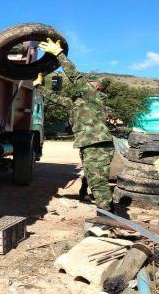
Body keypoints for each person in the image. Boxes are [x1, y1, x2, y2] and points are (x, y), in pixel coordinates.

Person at [33, 38, 114, 211]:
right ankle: (86, 195)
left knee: (98, 182)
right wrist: (39, 87)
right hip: (88, 144)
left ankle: (107, 218)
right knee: (92, 176)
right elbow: (57, 99)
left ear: (98, 87)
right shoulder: (80, 101)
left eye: (92, 81)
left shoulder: (95, 97)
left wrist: (59, 55)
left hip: (98, 144)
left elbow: (76, 77)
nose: (88, 82)